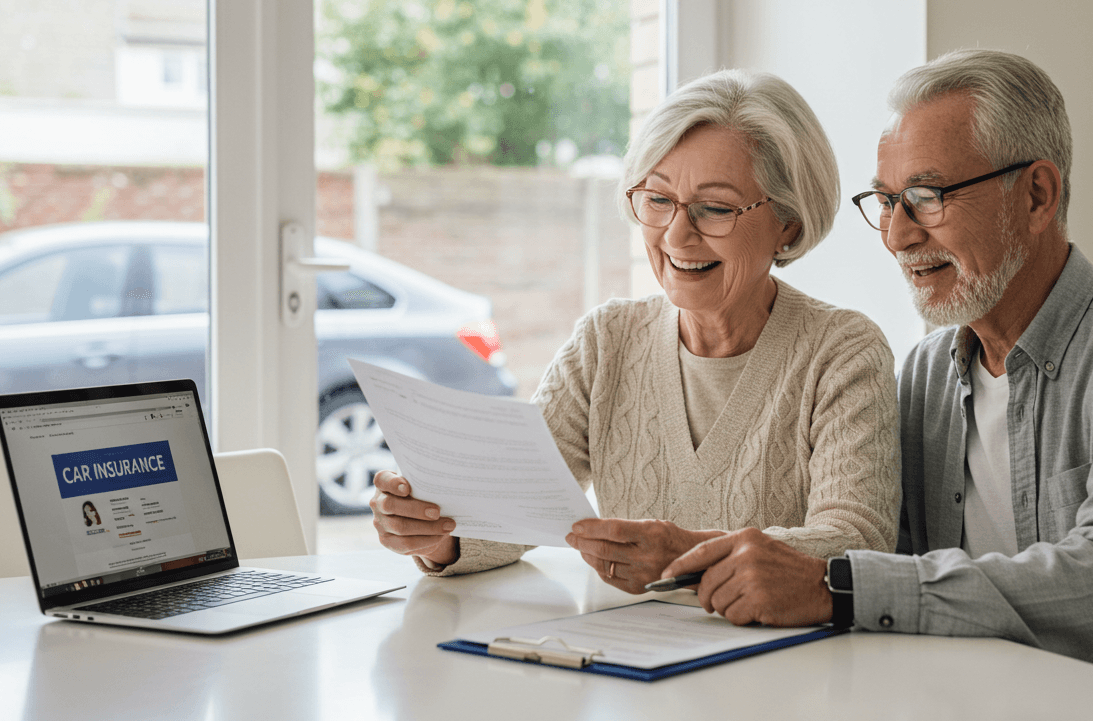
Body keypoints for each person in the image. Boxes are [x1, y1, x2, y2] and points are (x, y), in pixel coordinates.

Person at [662, 49, 1093, 710]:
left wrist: (835, 588)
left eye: (927, 198)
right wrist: (696, 556)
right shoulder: (928, 372)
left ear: (1037, 194)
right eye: (888, 200)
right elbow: (883, 553)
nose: (897, 235)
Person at [370, 69, 901, 591]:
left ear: (788, 222)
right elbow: (519, 509)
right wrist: (435, 534)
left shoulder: (843, 351)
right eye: (658, 199)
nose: (676, 235)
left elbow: (857, 547)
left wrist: (687, 556)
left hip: (786, 666)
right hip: (624, 659)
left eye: (714, 208)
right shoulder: (607, 340)